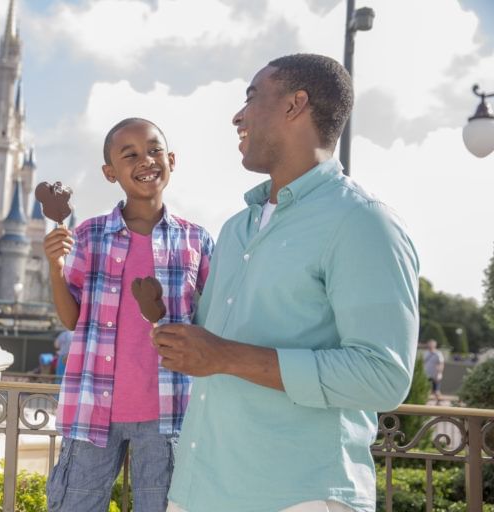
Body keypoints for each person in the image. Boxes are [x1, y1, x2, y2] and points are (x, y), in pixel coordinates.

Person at [152, 54, 419, 512]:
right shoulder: (236, 229)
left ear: (296, 105)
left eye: (251, 98)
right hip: (198, 490)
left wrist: (224, 356)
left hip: (300, 498)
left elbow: (383, 376)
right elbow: (208, 345)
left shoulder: (363, 222)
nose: (237, 115)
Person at [43, 117, 214, 512]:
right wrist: (55, 267)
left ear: (171, 159)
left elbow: (213, 318)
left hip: (169, 413)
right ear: (110, 172)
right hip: (92, 410)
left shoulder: (195, 239)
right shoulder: (88, 234)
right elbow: (72, 320)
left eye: (154, 150)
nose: (146, 160)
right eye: (130, 154)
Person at [423, 339, 445, 403]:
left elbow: (441, 364)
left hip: (435, 375)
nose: (430, 345)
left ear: (435, 345)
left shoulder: (438, 353)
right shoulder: (426, 353)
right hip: (426, 375)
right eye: (429, 344)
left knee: (436, 391)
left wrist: (439, 373)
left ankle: (440, 402)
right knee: (426, 389)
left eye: (432, 344)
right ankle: (425, 402)